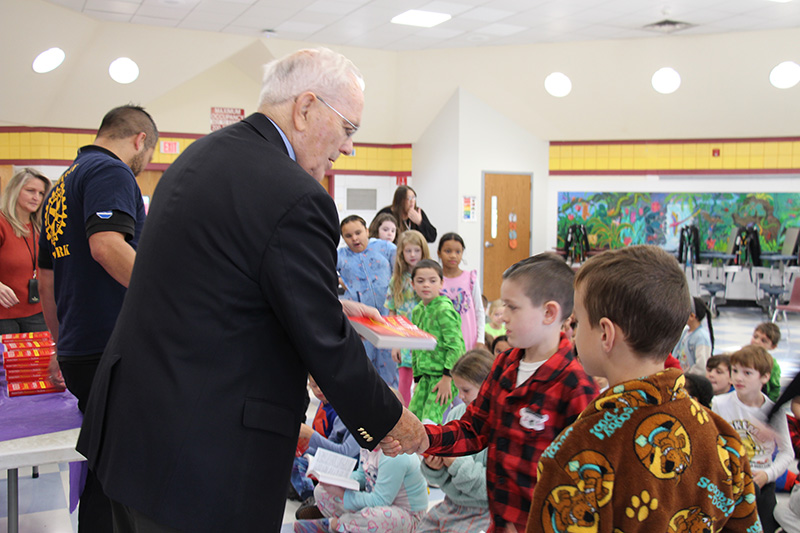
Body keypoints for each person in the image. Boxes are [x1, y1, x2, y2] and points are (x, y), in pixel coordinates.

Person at [75, 48, 427, 533]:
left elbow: (217, 284)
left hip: (134, 434)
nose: (348, 147)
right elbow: (324, 341)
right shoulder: (295, 194)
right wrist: (391, 420)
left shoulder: (204, 154)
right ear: (305, 108)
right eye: (348, 128)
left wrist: (325, 302)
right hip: (202, 456)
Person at [527, 245, 760, 532]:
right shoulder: (725, 440)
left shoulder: (577, 454)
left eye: (576, 321)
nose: (569, 330)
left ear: (605, 333)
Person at [407, 252, 598, 533]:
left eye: (512, 307)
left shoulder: (576, 386)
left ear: (549, 312)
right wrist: (423, 437)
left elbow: (582, 482)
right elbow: (473, 428)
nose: (502, 315)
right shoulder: (505, 364)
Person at [38, 104, 158, 532]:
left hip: (81, 349)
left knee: (105, 468)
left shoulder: (60, 185)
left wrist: (61, 341)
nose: (143, 167)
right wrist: (166, 300)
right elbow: (107, 246)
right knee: (125, 474)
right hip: (113, 345)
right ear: (139, 139)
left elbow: (46, 279)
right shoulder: (111, 172)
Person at [296, 413, 430, 533]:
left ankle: (333, 525)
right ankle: (350, 524)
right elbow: (362, 475)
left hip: (406, 516)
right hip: (375, 503)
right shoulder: (368, 444)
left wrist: (343, 494)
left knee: (378, 518)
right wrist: (338, 481)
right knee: (321, 491)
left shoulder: (395, 456)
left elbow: (380, 500)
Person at [712, 344, 794, 533]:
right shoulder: (719, 404)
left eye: (747, 373)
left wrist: (768, 474)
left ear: (764, 377)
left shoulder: (775, 412)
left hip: (762, 480)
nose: (738, 377)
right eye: (734, 371)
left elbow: (787, 452)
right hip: (730, 480)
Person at [418, 348, 493, 533]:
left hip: (486, 513)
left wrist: (455, 462)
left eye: (466, 390)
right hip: (451, 505)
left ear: (488, 386)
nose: (460, 396)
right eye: (458, 390)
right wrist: (434, 468)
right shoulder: (456, 414)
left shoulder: (502, 425)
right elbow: (446, 482)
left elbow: (493, 489)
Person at [337, 214, 398, 387]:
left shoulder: (386, 248)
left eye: (358, 232)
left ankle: (393, 408)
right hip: (359, 323)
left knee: (389, 369)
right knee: (363, 367)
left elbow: (400, 273)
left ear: (367, 231)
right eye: (348, 236)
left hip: (387, 318)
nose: (354, 238)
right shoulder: (340, 256)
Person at [409, 259, 464, 424]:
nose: (426, 285)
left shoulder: (444, 310)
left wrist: (448, 378)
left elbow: (457, 347)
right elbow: (416, 347)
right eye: (420, 281)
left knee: (430, 422)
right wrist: (417, 379)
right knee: (413, 420)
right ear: (412, 284)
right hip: (424, 378)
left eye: (432, 281)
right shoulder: (417, 311)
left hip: (444, 376)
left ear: (441, 283)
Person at [0, 168, 51, 334]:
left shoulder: (42, 228)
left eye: (41, 193)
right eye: (30, 191)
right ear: (15, 190)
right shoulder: (2, 224)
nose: (36, 197)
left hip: (37, 312)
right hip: (3, 315)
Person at [385, 229, 430, 407]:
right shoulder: (396, 280)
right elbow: (392, 313)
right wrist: (394, 342)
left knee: (424, 382)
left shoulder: (428, 278)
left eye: (416, 250)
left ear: (423, 251)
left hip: (424, 337)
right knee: (404, 383)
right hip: (403, 339)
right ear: (401, 254)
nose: (412, 255)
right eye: (408, 251)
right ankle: (405, 420)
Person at [438, 232, 485, 351]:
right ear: (439, 253)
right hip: (443, 340)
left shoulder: (470, 278)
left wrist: (480, 340)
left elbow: (479, 310)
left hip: (468, 339)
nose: (453, 256)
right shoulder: (436, 280)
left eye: (458, 252)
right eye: (448, 251)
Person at [672, 295, 714, 375]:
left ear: (692, 316)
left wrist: (687, 378)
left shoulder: (701, 337)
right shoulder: (685, 332)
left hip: (691, 381)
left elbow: (701, 366)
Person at [751, 321, 782, 402]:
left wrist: (768, 404)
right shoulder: (741, 357)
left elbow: (775, 388)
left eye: (763, 341)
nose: (757, 342)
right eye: (755, 337)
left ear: (773, 346)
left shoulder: (773, 364)